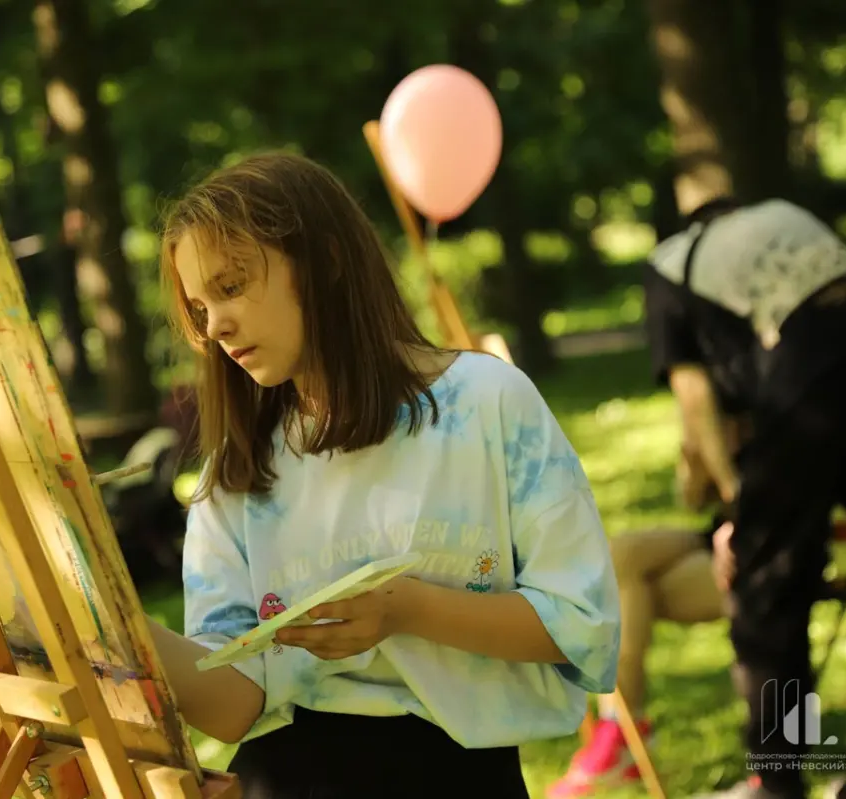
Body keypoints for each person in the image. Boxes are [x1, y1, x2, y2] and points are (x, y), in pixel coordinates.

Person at [141, 151, 622, 799]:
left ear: (326, 262)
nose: (215, 325)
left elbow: (582, 626)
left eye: (230, 286)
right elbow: (236, 704)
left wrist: (411, 608)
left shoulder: (487, 402)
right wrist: (114, 623)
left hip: (453, 776)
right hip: (285, 776)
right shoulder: (236, 469)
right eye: (199, 307)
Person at [641, 196, 846, 799]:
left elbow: (695, 402)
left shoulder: (668, 268)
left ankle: (778, 783)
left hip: (802, 368)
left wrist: (734, 509)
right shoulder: (780, 218)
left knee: (768, 589)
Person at [548, 415, 750, 798]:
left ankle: (620, 727)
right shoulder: (729, 388)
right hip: (722, 529)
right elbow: (694, 499)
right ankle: (620, 726)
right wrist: (698, 457)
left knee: (635, 592)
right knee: (618, 558)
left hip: (766, 542)